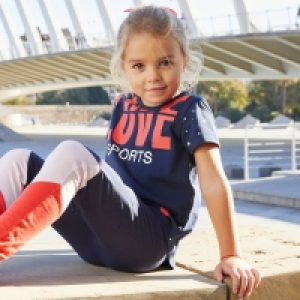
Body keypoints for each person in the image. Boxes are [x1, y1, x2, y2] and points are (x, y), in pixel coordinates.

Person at [0, 5, 260, 298]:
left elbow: (213, 180)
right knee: (17, 160)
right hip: (96, 241)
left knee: (73, 154)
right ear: (123, 66)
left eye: (164, 62)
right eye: (139, 66)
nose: (153, 76)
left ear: (183, 61)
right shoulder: (123, 105)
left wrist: (231, 254)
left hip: (146, 242)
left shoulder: (190, 110)